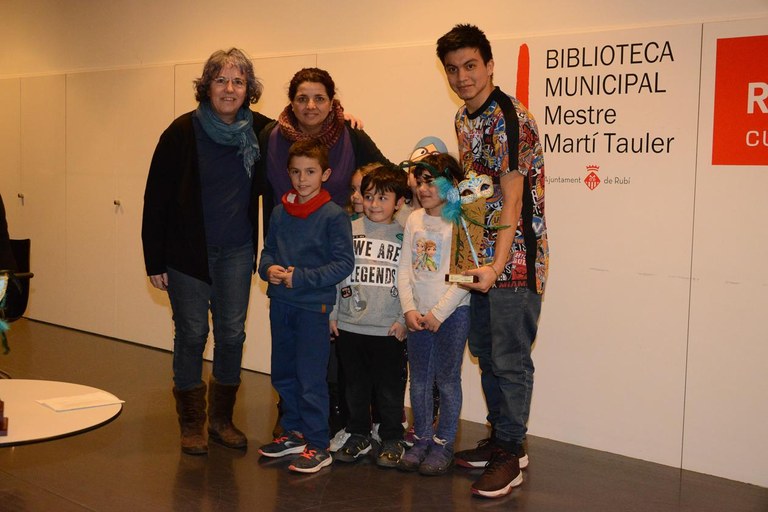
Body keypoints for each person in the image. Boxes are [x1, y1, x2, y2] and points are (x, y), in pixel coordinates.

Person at [436, 24, 549, 498]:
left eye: (470, 66)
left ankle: (511, 451)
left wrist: (497, 265)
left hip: (514, 260)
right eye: (453, 69)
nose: (462, 77)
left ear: (489, 65)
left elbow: (512, 196)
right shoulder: (464, 118)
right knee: (484, 353)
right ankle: (505, 441)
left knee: (509, 359)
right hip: (478, 260)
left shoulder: (509, 116)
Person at [142, 48, 270, 455]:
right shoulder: (181, 132)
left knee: (232, 336)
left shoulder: (262, 132)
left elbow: (309, 133)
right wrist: (154, 259)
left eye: (237, 81)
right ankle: (192, 423)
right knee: (192, 335)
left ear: (248, 89)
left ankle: (221, 421)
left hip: (237, 251)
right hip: (187, 254)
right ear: (206, 86)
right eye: (221, 80)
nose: (229, 89)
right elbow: (155, 199)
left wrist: (345, 118)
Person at [259, 67, 393, 440]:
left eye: (320, 98)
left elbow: (384, 173)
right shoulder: (270, 136)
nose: (311, 105)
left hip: (333, 258)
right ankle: (292, 420)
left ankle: (332, 422)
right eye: (302, 98)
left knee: (332, 348)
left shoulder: (350, 133)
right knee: (289, 357)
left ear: (333, 102)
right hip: (288, 260)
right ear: (291, 102)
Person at [257, 139, 354, 474]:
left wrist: (301, 278)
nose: (302, 179)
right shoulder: (279, 212)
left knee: (310, 377)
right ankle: (295, 432)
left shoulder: (333, 215)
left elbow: (343, 264)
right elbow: (267, 253)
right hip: (280, 304)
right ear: (288, 173)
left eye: (310, 172)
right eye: (296, 172)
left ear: (325, 173)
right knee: (284, 372)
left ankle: (318, 444)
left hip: (313, 308)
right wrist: (267, 269)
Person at [397, 153, 470, 476]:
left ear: (450, 183)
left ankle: (443, 443)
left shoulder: (463, 220)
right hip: (418, 315)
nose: (423, 188)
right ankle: (422, 438)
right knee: (420, 380)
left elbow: (467, 275)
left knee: (448, 380)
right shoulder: (413, 219)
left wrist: (439, 312)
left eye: (431, 181)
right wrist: (409, 308)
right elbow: (404, 271)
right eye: (420, 181)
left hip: (452, 314)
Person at [330, 166, 409, 468]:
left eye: (383, 198)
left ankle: (391, 437)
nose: (374, 204)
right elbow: (339, 275)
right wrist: (334, 313)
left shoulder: (405, 234)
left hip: (388, 329)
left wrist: (403, 319)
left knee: (389, 388)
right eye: (369, 197)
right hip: (350, 325)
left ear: (399, 202)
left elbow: (409, 280)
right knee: (355, 386)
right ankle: (358, 433)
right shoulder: (348, 228)